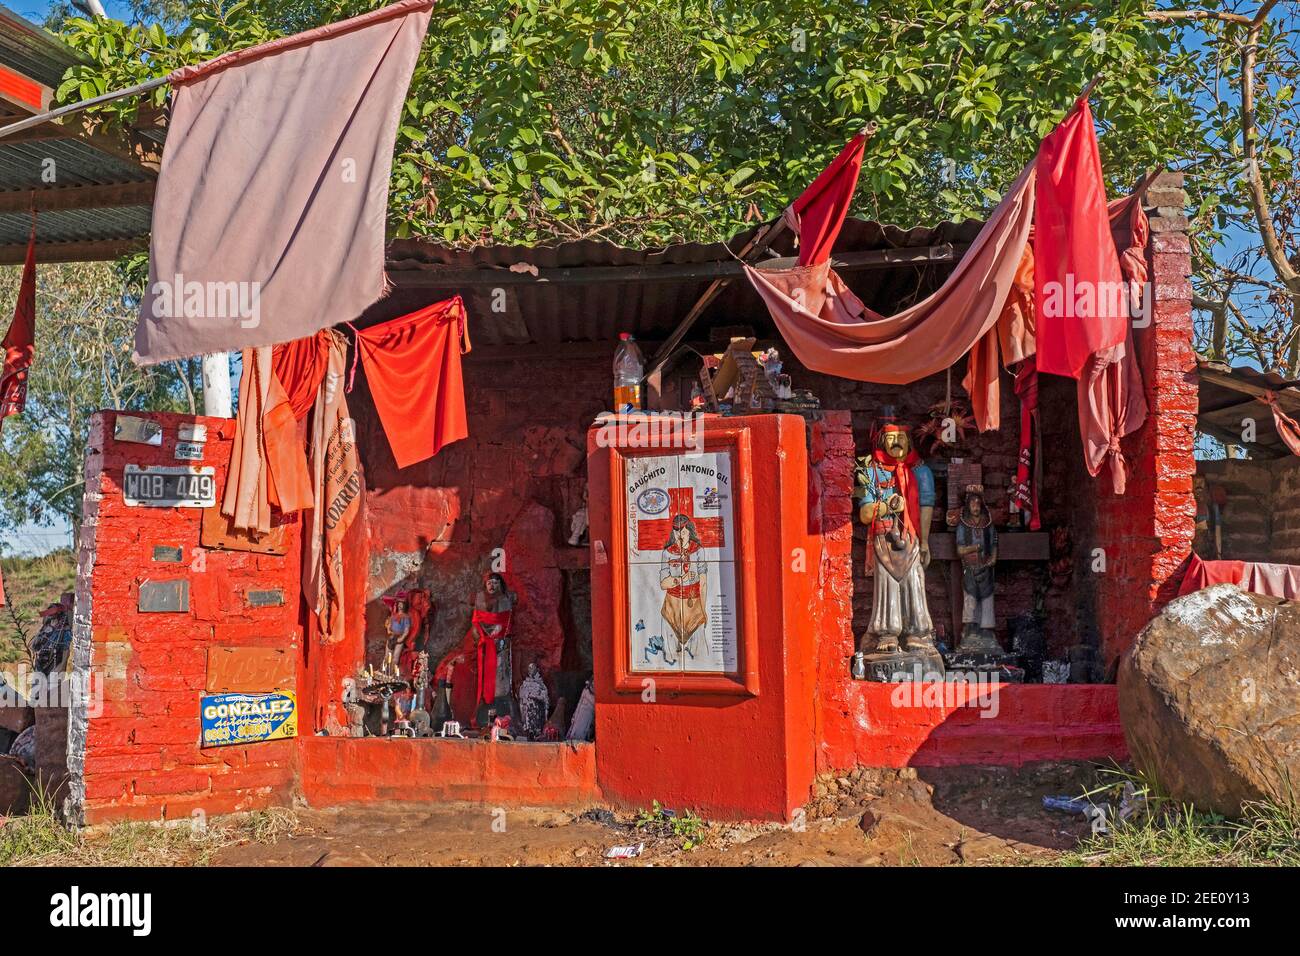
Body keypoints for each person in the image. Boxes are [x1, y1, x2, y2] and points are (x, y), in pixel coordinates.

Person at [658, 514, 708, 664]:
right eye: (677, 532)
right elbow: (663, 584)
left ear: (689, 531)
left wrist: (703, 610)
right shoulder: (667, 552)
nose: (680, 535)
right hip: (671, 607)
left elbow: (703, 582)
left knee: (699, 655)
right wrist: (680, 580)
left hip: (693, 606)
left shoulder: (698, 550)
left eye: (684, 532)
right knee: (670, 656)